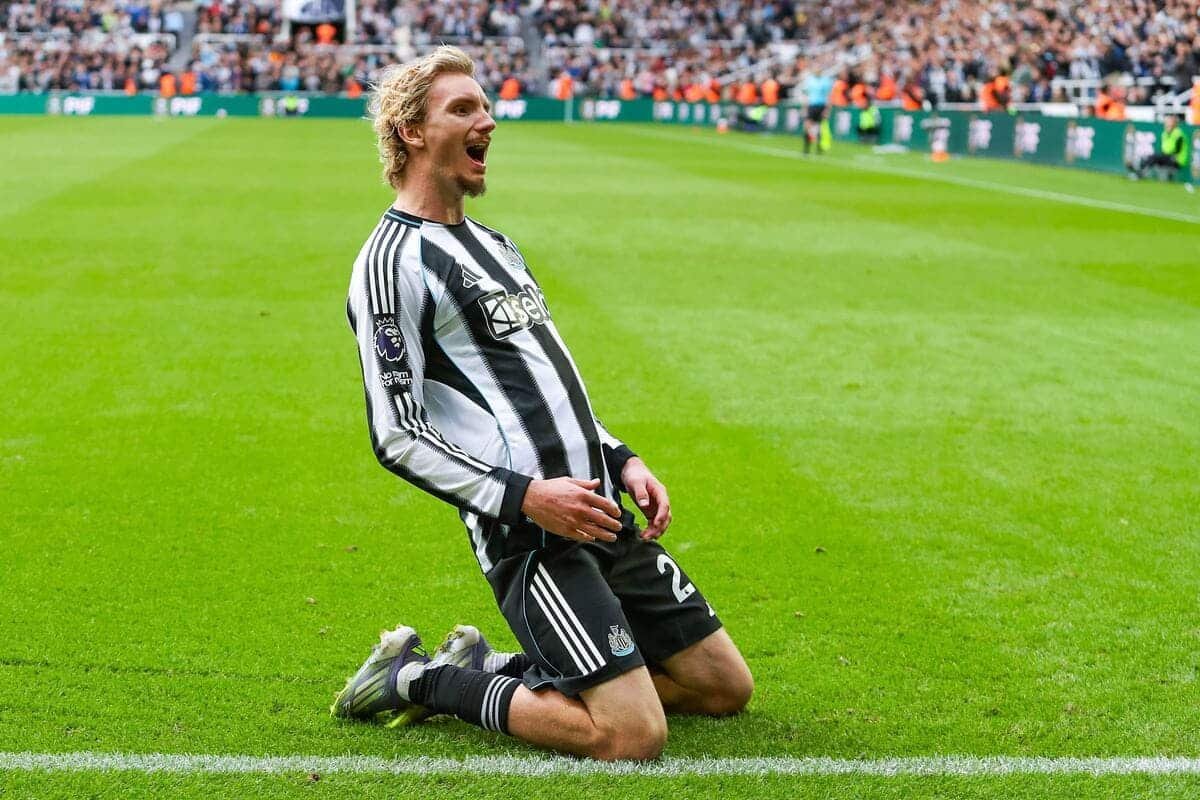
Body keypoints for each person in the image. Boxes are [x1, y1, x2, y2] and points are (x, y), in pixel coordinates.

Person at [331, 46, 753, 761]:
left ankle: (490, 666)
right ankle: (416, 679)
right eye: (463, 109)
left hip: (596, 506)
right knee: (632, 736)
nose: (488, 121)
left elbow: (545, 382)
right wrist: (526, 499)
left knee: (721, 687)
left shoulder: (495, 245)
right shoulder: (390, 263)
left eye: (485, 106)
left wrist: (621, 458)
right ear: (411, 132)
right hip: (531, 533)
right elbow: (397, 433)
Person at [1129, 114, 1190, 183]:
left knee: (1155, 157)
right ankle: (1139, 171)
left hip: (1177, 160)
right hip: (1168, 157)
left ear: (1174, 124)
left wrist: (1166, 155)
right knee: (1149, 157)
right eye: (1166, 122)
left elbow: (1177, 150)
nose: (1166, 124)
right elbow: (1164, 149)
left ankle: (1139, 173)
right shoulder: (1164, 134)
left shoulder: (1178, 134)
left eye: (1169, 123)